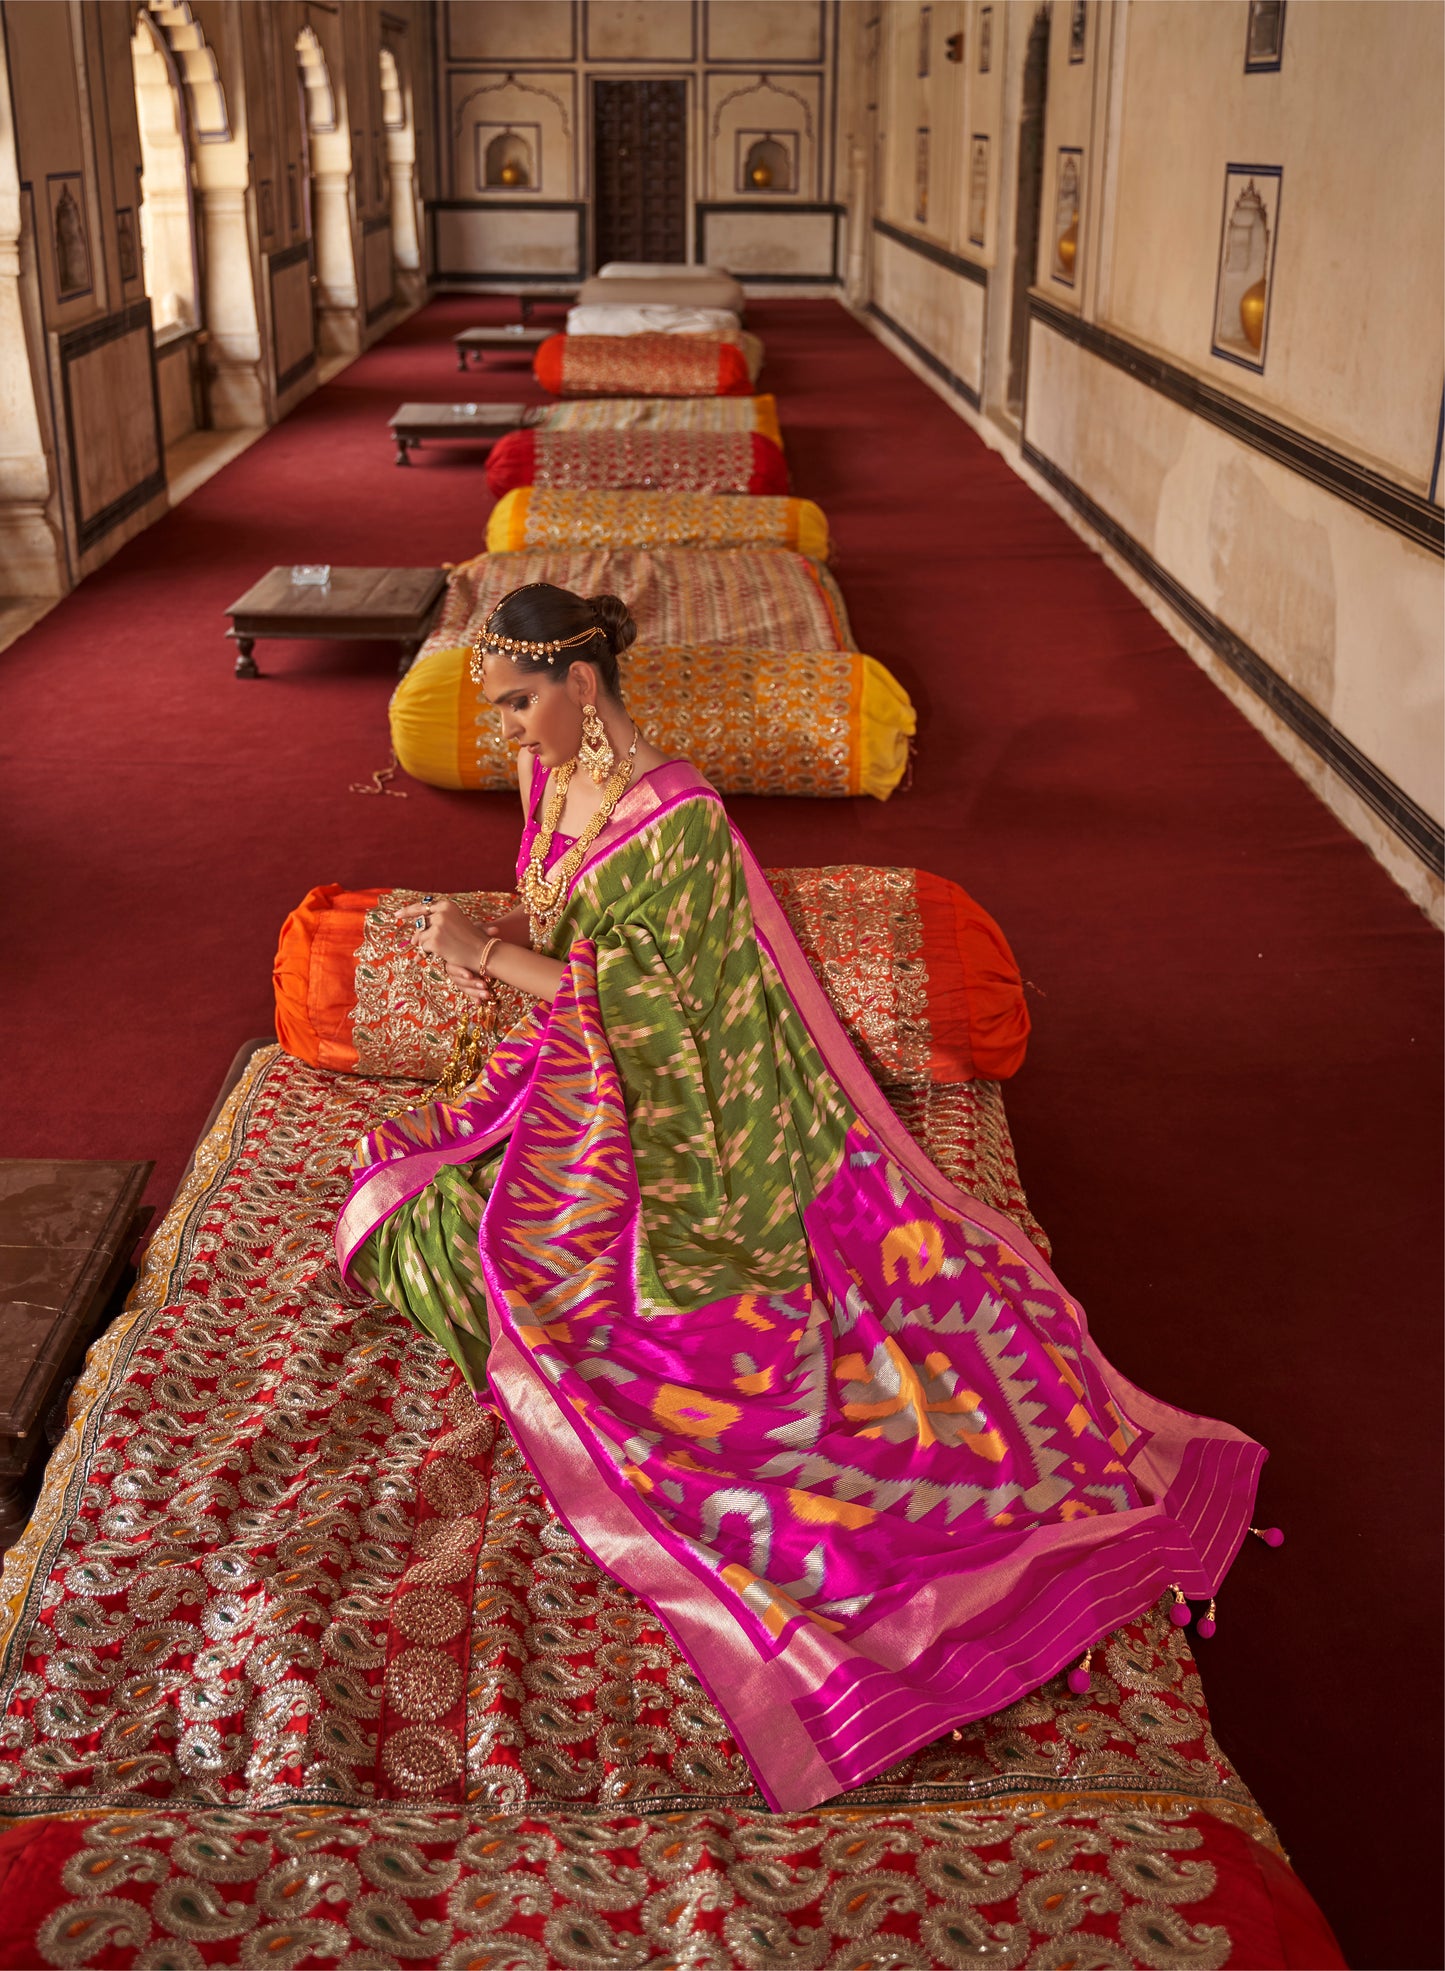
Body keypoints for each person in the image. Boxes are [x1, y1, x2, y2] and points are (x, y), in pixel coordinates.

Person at [336, 581, 1264, 1814]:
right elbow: (582, 973)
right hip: (586, 1092)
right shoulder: (547, 781)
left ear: (582, 684)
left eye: (519, 705)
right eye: (498, 708)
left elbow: (667, 1018)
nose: (509, 731)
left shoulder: (679, 821)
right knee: (411, 1207)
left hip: (696, 1130)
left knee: (572, 1303)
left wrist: (483, 957)